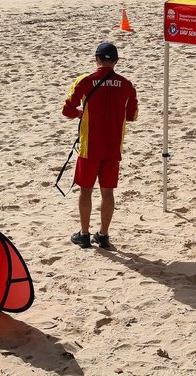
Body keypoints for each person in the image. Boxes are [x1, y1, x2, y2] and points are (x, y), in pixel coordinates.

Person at [62, 42, 138, 249]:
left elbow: (67, 110)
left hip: (90, 147)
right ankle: (103, 235)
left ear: (96, 59)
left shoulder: (85, 81)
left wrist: (81, 113)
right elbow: (132, 116)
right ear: (115, 61)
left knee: (86, 190)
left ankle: (84, 234)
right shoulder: (126, 85)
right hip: (113, 147)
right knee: (108, 191)